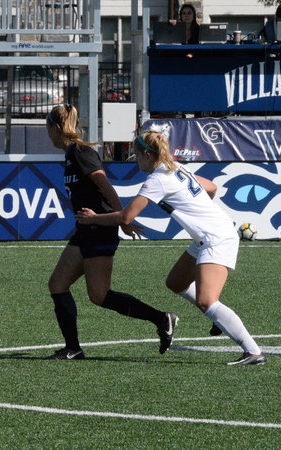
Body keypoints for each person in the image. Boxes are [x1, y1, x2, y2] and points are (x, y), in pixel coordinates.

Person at [76, 130, 267, 366]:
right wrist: (199, 209)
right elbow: (211, 187)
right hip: (208, 235)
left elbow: (126, 217)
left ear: (148, 155)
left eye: (137, 156)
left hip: (216, 237)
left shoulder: (158, 179)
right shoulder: (176, 167)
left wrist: (93, 218)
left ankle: (253, 352)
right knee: (176, 282)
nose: (136, 161)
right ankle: (218, 317)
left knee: (206, 301)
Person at [45, 104, 178, 360]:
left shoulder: (81, 152)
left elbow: (106, 186)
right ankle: (73, 348)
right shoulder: (72, 152)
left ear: (55, 128)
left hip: (99, 228)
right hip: (85, 229)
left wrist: (122, 219)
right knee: (57, 284)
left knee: (99, 295)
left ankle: (162, 319)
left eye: (47, 128)